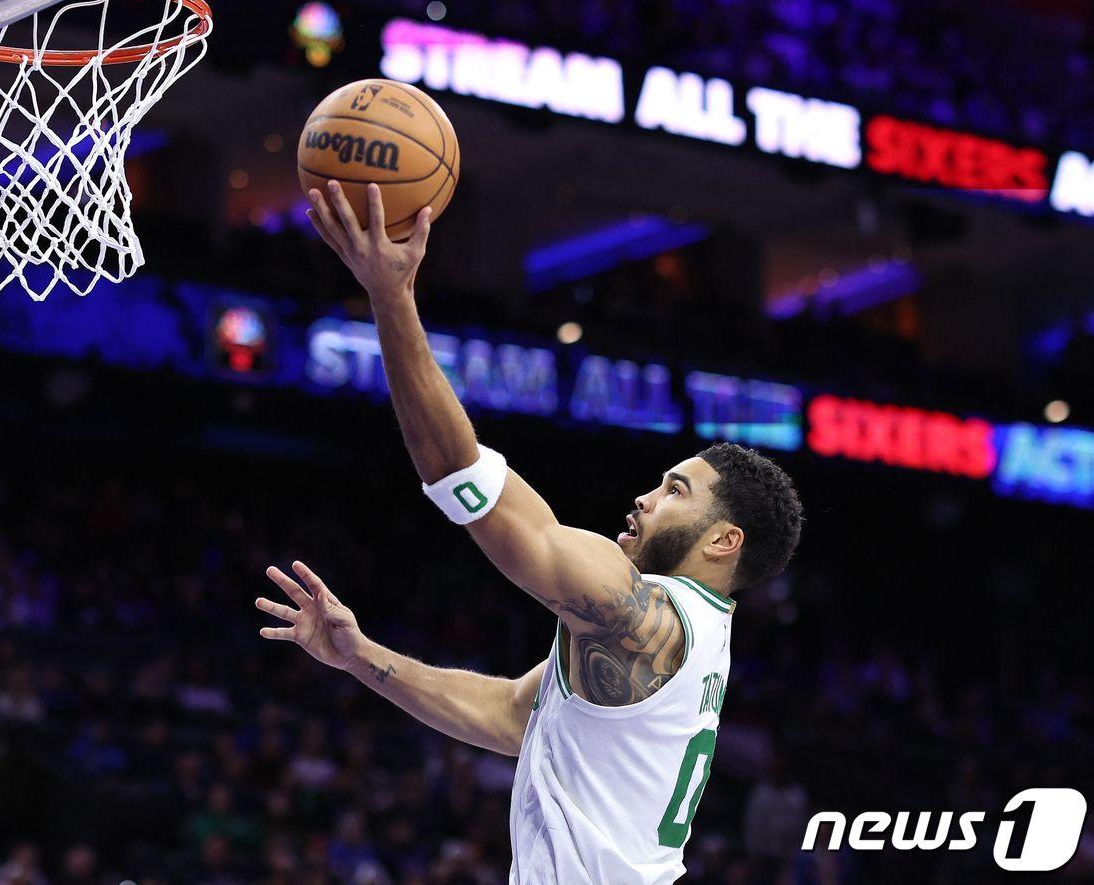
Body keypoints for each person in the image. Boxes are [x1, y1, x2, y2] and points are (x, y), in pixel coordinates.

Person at [256, 182, 804, 884]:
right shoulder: (682, 634)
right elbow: (515, 717)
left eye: (675, 489)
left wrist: (391, 297)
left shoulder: (643, 614)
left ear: (724, 539)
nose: (643, 497)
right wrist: (361, 656)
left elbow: (464, 479)